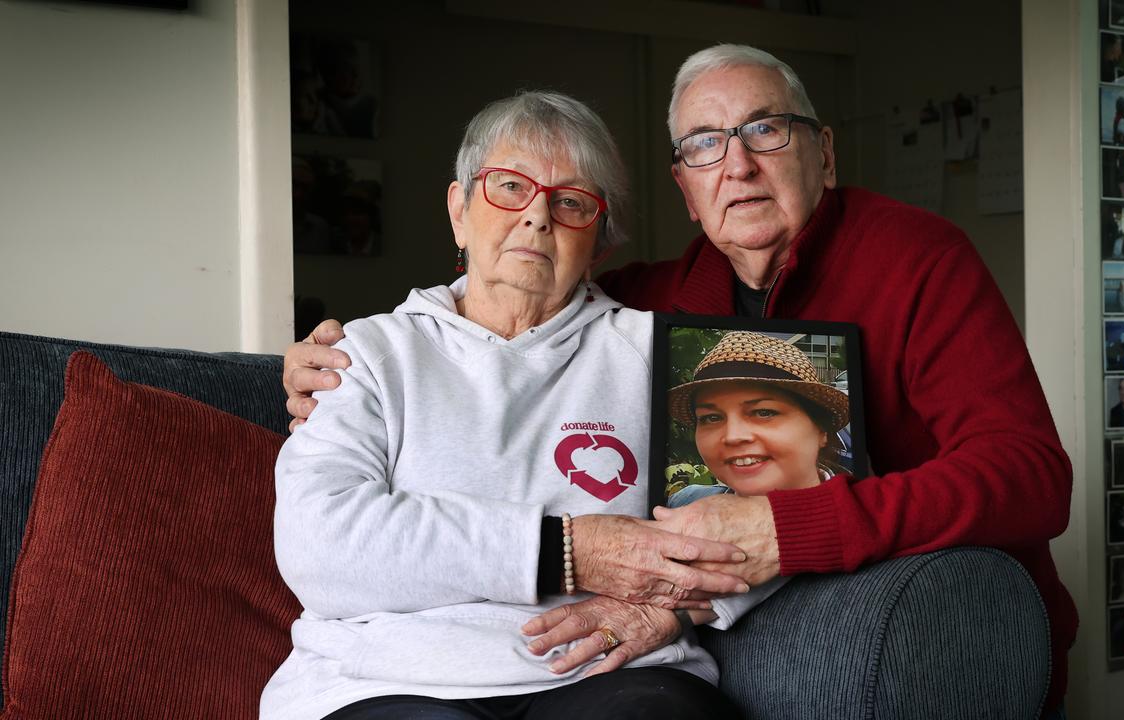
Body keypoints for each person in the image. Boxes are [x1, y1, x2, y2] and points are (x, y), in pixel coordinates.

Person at [285, 44, 1077, 716]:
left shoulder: (912, 260)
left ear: (825, 153)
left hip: (945, 619)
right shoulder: (650, 304)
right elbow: (514, 313)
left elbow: (1031, 476)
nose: (737, 165)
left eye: (765, 130)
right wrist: (321, 363)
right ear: (684, 187)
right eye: (705, 143)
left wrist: (716, 579)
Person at [264, 91, 744, 720]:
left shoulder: (663, 357)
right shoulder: (368, 354)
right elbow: (320, 545)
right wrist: (566, 550)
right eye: (509, 187)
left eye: (571, 202)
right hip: (385, 678)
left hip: (611, 677)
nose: (538, 218)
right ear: (459, 211)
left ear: (598, 242)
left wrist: (677, 605)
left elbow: (774, 510)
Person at [662, 331, 852, 630]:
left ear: (821, 430)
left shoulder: (866, 531)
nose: (734, 436)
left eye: (764, 412)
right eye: (711, 418)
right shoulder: (684, 505)